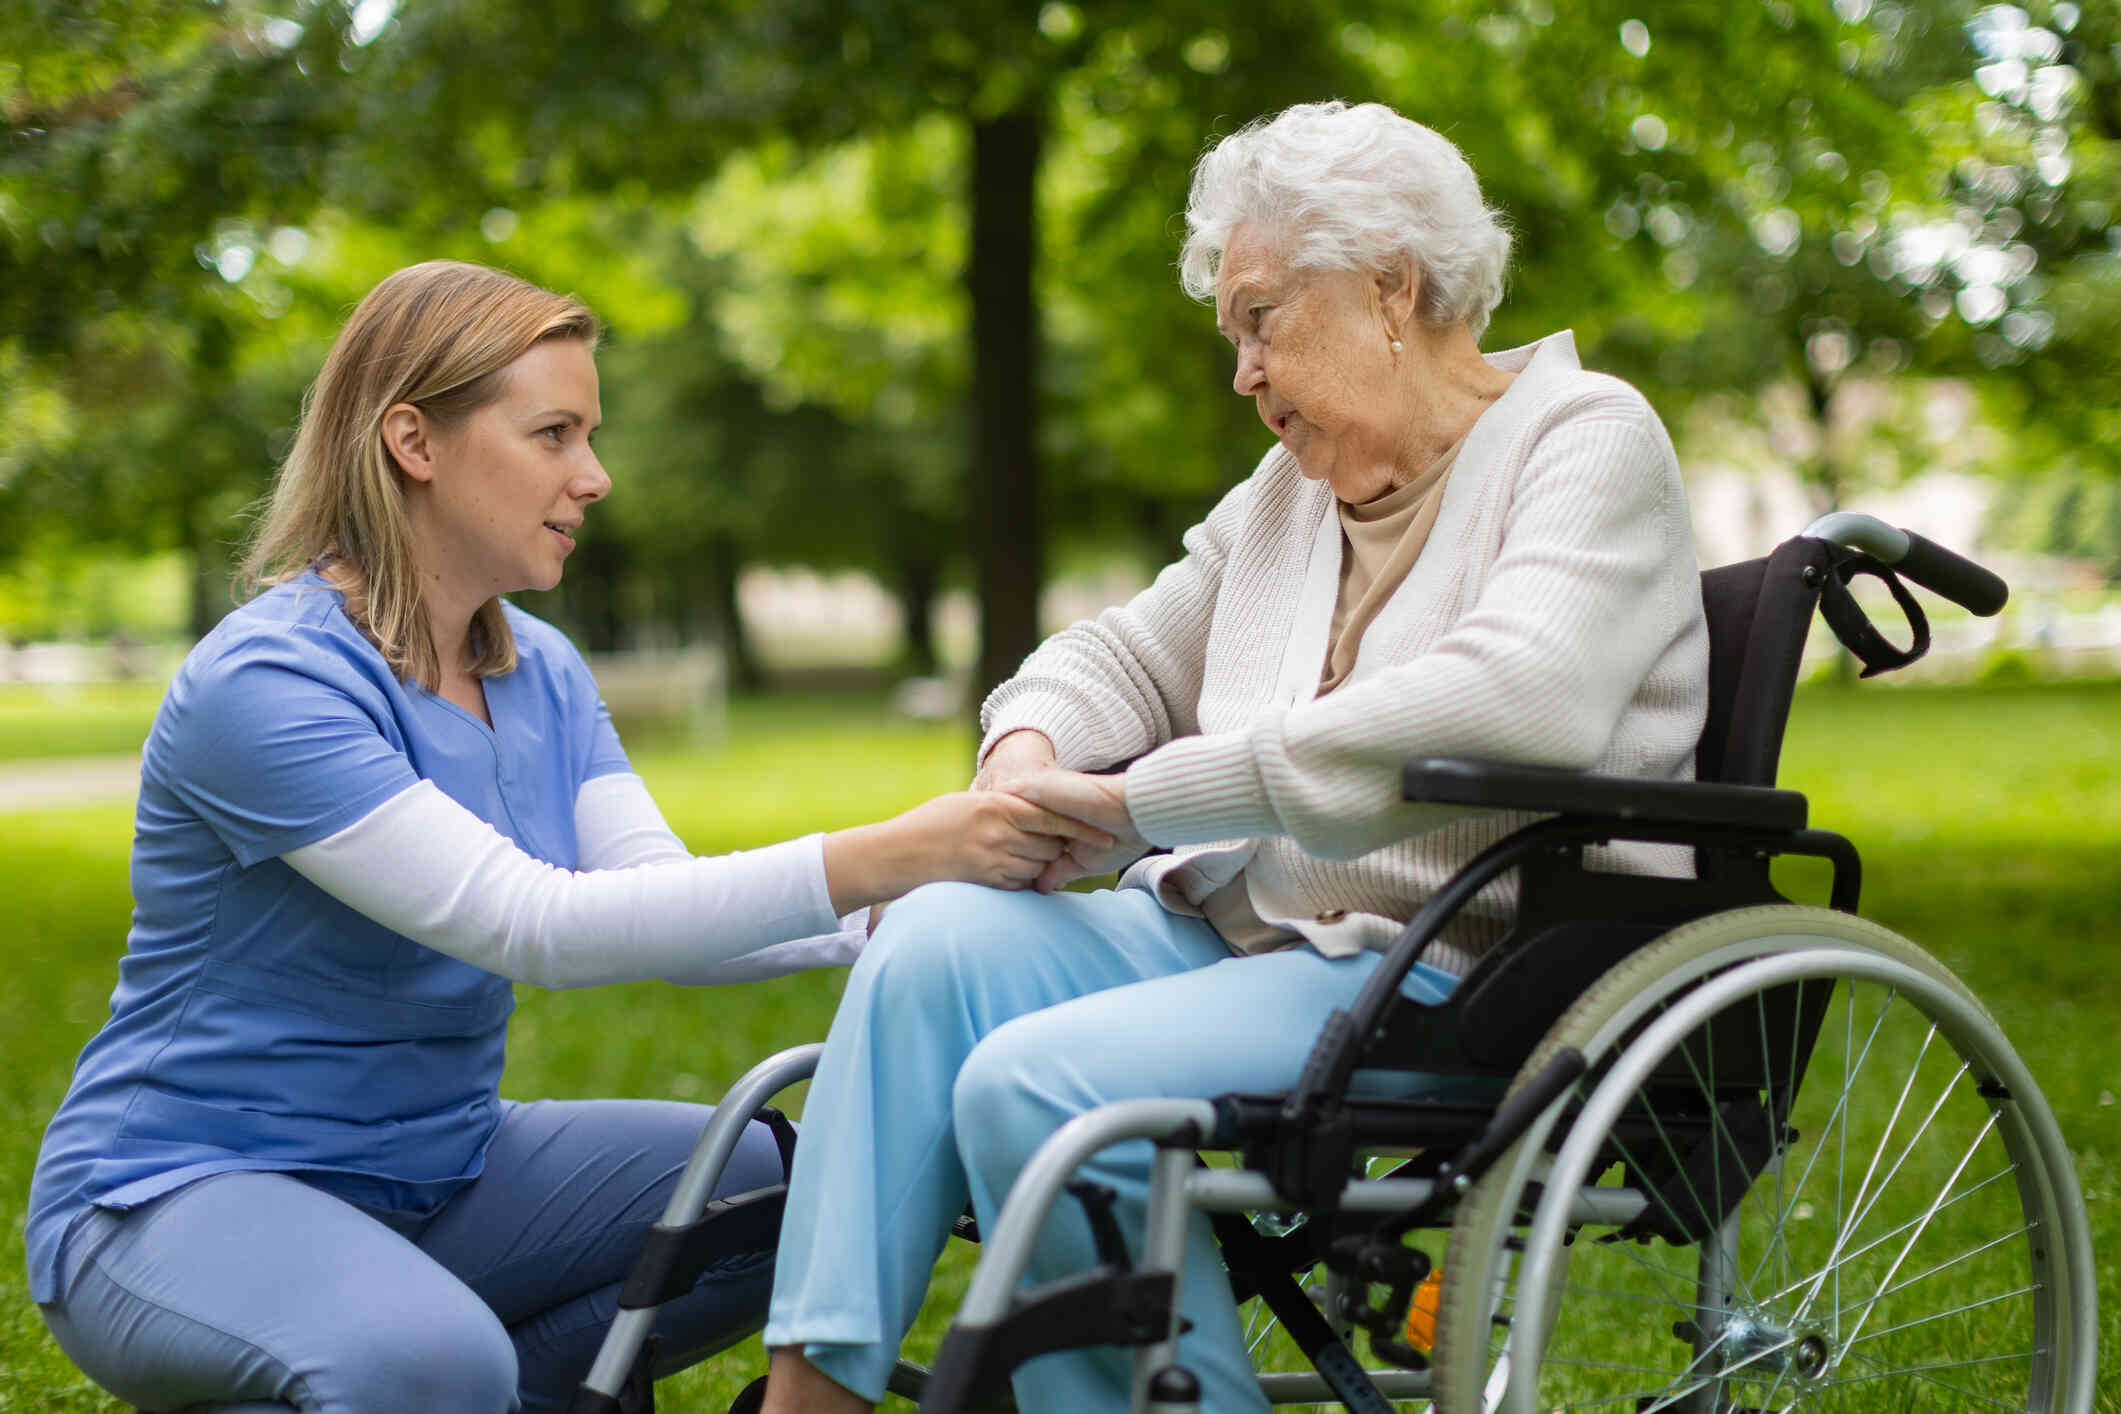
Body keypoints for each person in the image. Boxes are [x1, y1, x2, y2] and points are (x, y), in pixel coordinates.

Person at [756, 100, 1711, 1414]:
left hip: (1448, 962)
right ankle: (814, 1396)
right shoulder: (1293, 497)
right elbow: (1120, 656)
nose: (1242, 373)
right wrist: (1024, 762)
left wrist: (1149, 797)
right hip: (1247, 935)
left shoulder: (1582, 437)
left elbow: (1520, 696)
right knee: (932, 942)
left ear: (1390, 289)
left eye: (1261, 319)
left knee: (1040, 1080)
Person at [25, 260, 1108, 1414]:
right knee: (436, 1364)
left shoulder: (538, 669)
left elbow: (660, 899)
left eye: (588, 435)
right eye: (553, 433)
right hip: (174, 1195)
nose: (594, 477)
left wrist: (926, 899)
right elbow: (531, 922)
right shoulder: (270, 680)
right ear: (413, 441)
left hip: (443, 1173)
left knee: (783, 1191)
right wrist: (900, 845)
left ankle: (418, 1369)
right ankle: (396, 1360)